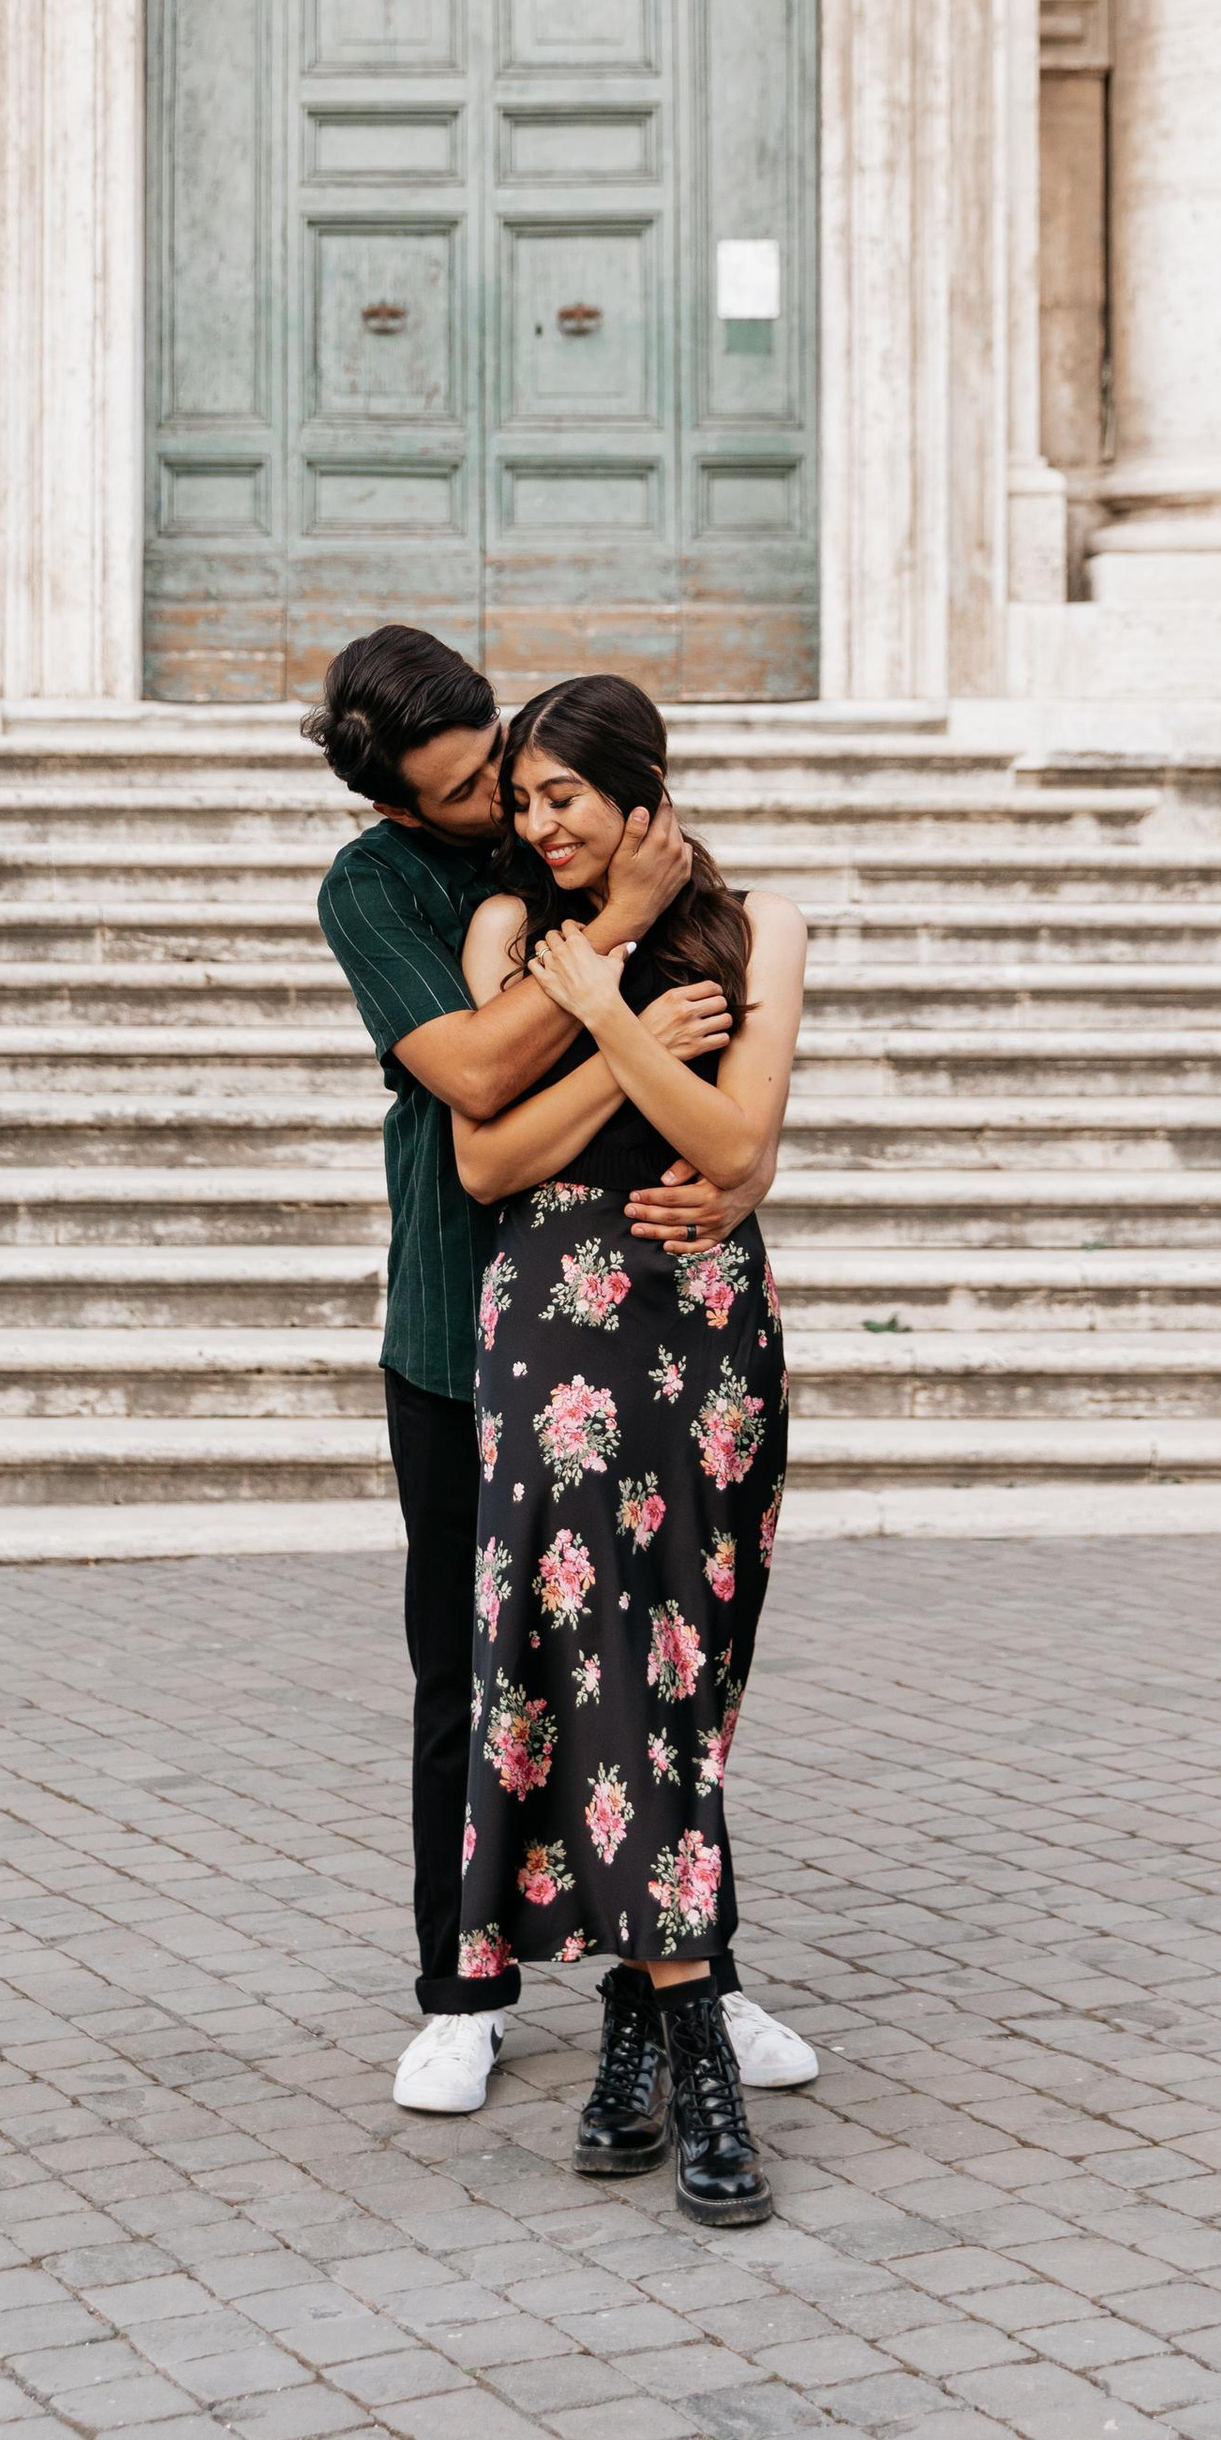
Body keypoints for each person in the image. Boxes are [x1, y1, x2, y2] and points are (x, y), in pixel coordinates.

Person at [308, 626, 820, 2120]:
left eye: (517, 780)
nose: (505, 812)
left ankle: (681, 1982)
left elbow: (738, 1116)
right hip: (470, 1324)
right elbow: (472, 1086)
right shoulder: (387, 886)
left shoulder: (619, 861)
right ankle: (463, 1993)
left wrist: (743, 1166)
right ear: (404, 802)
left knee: (667, 1659)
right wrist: (608, 981)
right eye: (475, 792)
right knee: (471, 1673)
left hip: (674, 1328)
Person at [442, 676, 807, 2224]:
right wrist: (606, 1018)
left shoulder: (764, 925)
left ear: (640, 786)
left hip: (710, 1330)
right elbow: (487, 1158)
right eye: (521, 804)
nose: (539, 827)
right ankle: (693, 2033)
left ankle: (637, 2031)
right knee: (606, 1658)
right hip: (557, 1326)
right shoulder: (508, 937)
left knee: (685, 1670)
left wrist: (614, 1027)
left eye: (563, 799)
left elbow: (735, 1148)